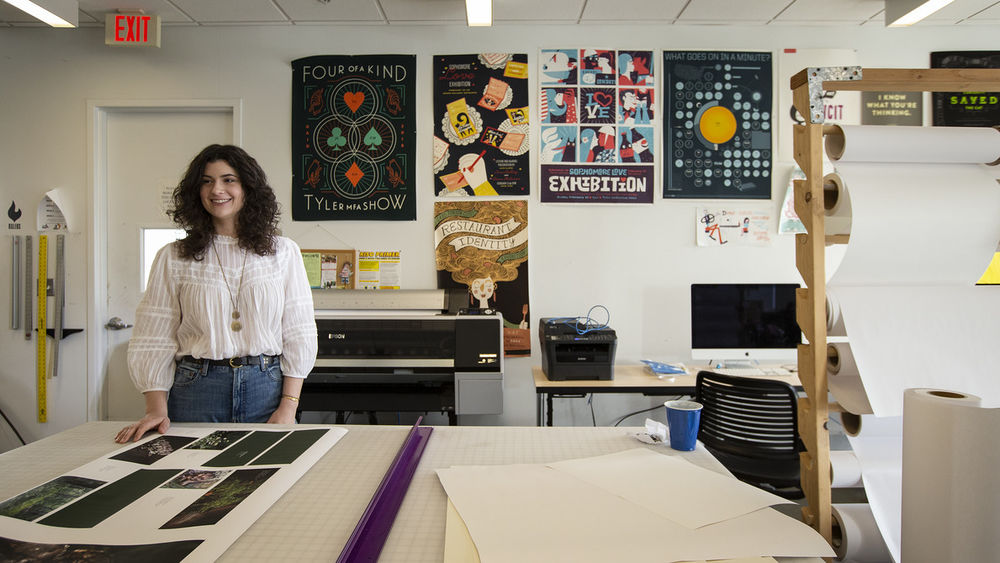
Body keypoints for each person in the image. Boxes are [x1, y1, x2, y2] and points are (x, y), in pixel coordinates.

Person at [116, 144, 317, 443]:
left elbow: (299, 331)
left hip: (266, 388)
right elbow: (153, 337)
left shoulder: (284, 252)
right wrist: (155, 408)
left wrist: (289, 406)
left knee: (261, 480)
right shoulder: (173, 257)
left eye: (228, 179)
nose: (216, 189)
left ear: (248, 187)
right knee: (192, 479)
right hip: (196, 388)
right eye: (206, 181)